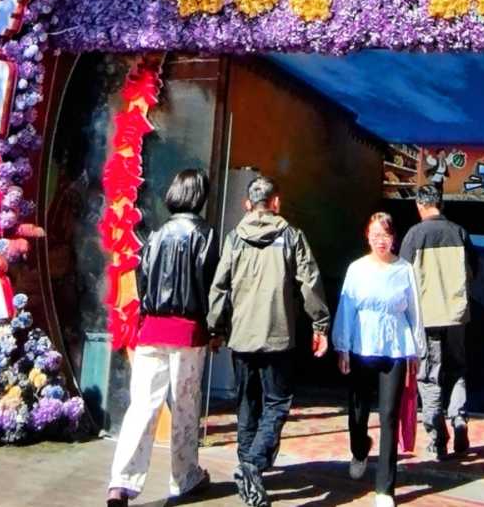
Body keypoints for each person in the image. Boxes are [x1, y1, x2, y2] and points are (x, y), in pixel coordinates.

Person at [208, 174, 331, 507]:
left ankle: (248, 472)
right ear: (275, 202)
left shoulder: (234, 238)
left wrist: (215, 330)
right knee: (277, 403)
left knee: (247, 404)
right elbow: (310, 282)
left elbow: (220, 286)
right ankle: (252, 466)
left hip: (241, 337)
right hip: (278, 336)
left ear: (248, 204)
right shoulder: (292, 236)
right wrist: (320, 325)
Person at [107, 168, 218, 507]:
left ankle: (121, 482)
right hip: (188, 330)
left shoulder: (155, 235)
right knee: (185, 406)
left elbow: (142, 280)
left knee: (142, 405)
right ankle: (184, 477)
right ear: (200, 195)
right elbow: (212, 286)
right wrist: (216, 328)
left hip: (151, 329)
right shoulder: (205, 234)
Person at [332, 211, 427, 507]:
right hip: (362, 344)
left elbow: (414, 311)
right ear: (367, 237)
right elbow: (346, 308)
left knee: (389, 415)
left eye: (385, 235)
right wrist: (342, 347)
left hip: (395, 346)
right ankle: (359, 449)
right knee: (358, 411)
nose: (380, 241)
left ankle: (385, 488)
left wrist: (416, 350)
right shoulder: (357, 269)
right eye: (375, 235)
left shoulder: (404, 269)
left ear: (393, 237)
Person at [400, 183, 477, 462]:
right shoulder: (459, 232)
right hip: (457, 314)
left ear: (420, 205)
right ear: (441, 203)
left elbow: (403, 278)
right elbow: (473, 270)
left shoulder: (414, 235)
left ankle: (438, 438)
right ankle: (459, 418)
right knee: (457, 368)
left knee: (429, 375)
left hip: (427, 316)